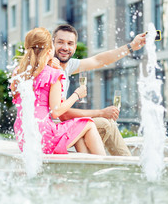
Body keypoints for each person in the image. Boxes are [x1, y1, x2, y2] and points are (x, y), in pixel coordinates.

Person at [49, 24, 146, 156]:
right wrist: (101, 112)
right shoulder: (51, 69)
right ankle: (127, 166)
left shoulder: (68, 65)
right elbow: (62, 114)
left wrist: (131, 47)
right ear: (52, 44)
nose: (65, 47)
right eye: (60, 42)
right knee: (107, 124)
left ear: (75, 47)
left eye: (70, 43)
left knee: (104, 125)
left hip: (63, 127)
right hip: (54, 131)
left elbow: (99, 60)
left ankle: (120, 166)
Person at [10, 27, 106, 155]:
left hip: (23, 135)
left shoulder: (18, 72)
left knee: (78, 130)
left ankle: (85, 165)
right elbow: (56, 111)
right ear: (50, 50)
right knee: (88, 123)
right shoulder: (53, 73)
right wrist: (77, 94)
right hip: (44, 136)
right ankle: (102, 162)